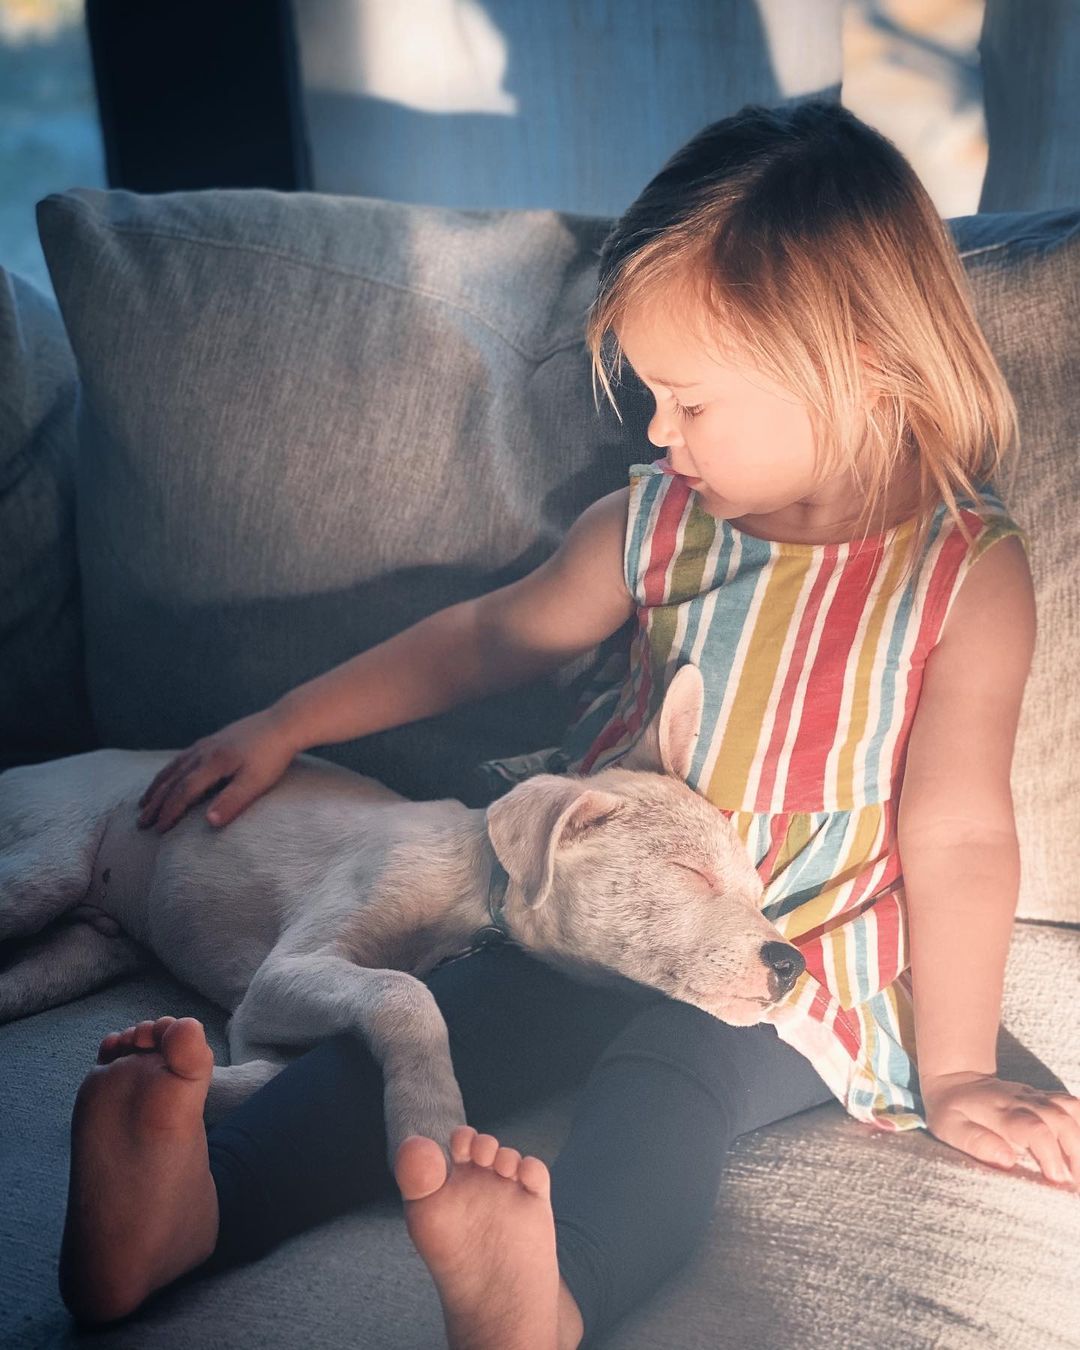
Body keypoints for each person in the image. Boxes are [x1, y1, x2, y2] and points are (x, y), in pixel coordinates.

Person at [57, 100, 1079, 1350]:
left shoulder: (961, 571)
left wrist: (962, 1064)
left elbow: (963, 831)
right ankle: (193, 1211)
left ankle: (552, 1295)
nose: (658, 432)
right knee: (448, 1030)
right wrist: (287, 719)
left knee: (673, 1070)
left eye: (690, 401)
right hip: (602, 917)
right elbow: (486, 640)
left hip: (803, 960)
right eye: (651, 395)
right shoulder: (656, 525)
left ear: (856, 361)